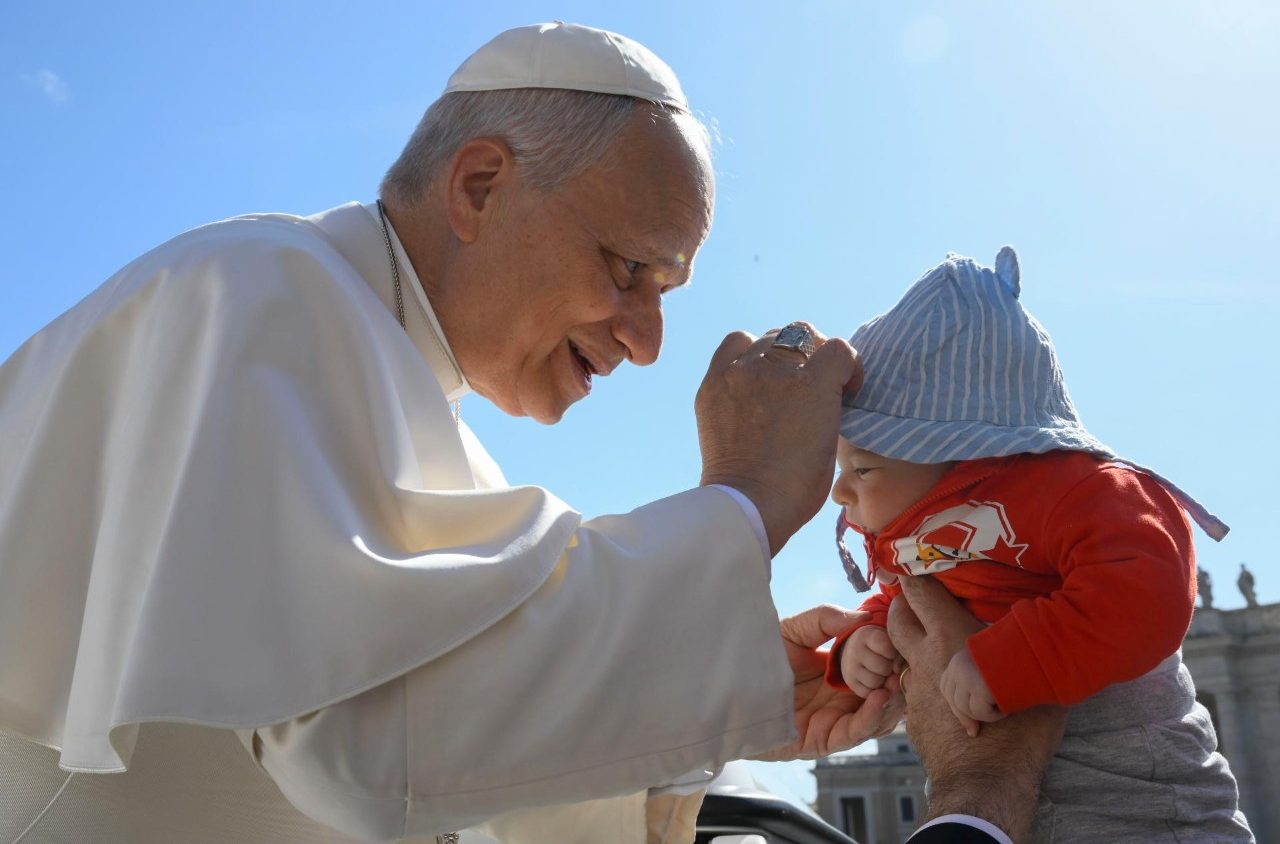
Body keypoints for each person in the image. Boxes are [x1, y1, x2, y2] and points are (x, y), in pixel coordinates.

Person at [0, 21, 1043, 844]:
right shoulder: (257, 294)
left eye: (667, 292)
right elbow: (361, 749)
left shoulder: (419, 405)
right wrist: (741, 500)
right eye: (629, 269)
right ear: (480, 186)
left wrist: (728, 682)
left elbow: (463, 767)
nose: (646, 342)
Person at [824, 248, 1253, 841]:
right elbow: (912, 604)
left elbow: (1147, 590)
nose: (839, 491)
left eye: (863, 468)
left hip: (1143, 809)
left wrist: (1015, 660)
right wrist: (864, 641)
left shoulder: (1074, 489)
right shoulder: (916, 532)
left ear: (960, 449)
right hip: (1013, 818)